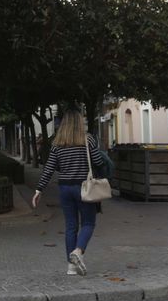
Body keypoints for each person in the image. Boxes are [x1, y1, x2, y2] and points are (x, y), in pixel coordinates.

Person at [30, 110, 110, 276]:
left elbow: (49, 168)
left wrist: (39, 190)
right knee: (88, 223)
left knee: (71, 226)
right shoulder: (88, 139)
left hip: (65, 188)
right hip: (84, 188)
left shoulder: (57, 143)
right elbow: (97, 161)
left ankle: (71, 267)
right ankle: (78, 251)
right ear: (79, 123)